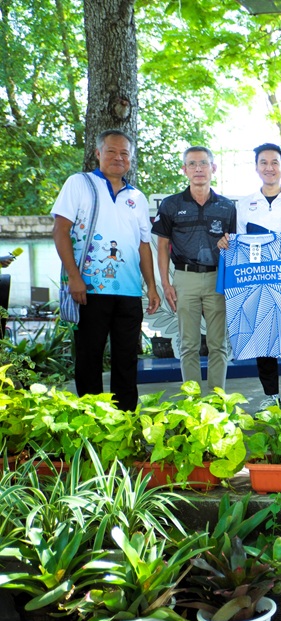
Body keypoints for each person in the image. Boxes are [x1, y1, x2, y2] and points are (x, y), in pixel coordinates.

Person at [51, 129, 160, 410]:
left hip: (129, 293)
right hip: (88, 290)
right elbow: (60, 231)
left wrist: (151, 287)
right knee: (89, 358)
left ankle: (125, 421)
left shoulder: (137, 196)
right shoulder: (79, 183)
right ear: (98, 153)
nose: (118, 157)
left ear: (131, 159)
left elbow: (143, 246)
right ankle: (92, 419)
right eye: (111, 151)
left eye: (125, 153)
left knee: (127, 360)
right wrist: (74, 277)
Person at [225, 142, 281, 414]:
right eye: (263, 162)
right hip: (257, 279)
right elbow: (238, 243)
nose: (269, 167)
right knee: (262, 333)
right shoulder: (244, 204)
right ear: (256, 167)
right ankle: (270, 394)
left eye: (274, 162)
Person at [152, 146, 237, 393]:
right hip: (184, 277)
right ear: (184, 169)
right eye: (192, 164)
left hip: (217, 278)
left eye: (203, 163)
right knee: (188, 344)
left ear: (213, 168)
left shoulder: (226, 206)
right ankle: (193, 400)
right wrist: (166, 284)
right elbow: (162, 246)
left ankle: (217, 399)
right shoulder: (171, 204)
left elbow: (235, 244)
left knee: (218, 344)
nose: (198, 168)